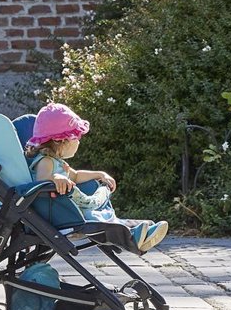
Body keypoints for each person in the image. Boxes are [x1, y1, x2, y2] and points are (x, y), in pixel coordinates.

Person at [25, 102, 169, 252]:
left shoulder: (57, 161)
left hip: (69, 211)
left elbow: (76, 176)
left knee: (101, 216)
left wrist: (100, 174)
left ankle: (143, 231)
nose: (79, 141)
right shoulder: (46, 161)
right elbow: (40, 182)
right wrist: (55, 178)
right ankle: (134, 238)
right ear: (60, 140)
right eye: (76, 137)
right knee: (97, 219)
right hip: (62, 216)